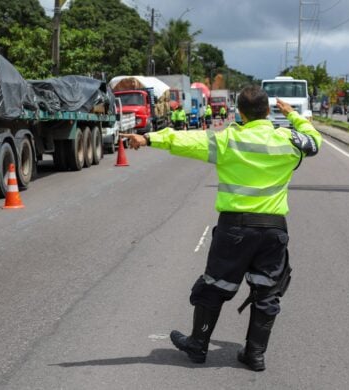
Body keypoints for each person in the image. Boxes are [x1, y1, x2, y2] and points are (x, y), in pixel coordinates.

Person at [122, 85, 321, 371]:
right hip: (274, 230)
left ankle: (198, 345)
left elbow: (185, 140)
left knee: (214, 286)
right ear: (268, 111)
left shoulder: (228, 139)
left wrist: (148, 137)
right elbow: (314, 141)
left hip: (235, 229)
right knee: (267, 294)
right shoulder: (289, 141)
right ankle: (254, 355)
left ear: (239, 112)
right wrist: (295, 117)